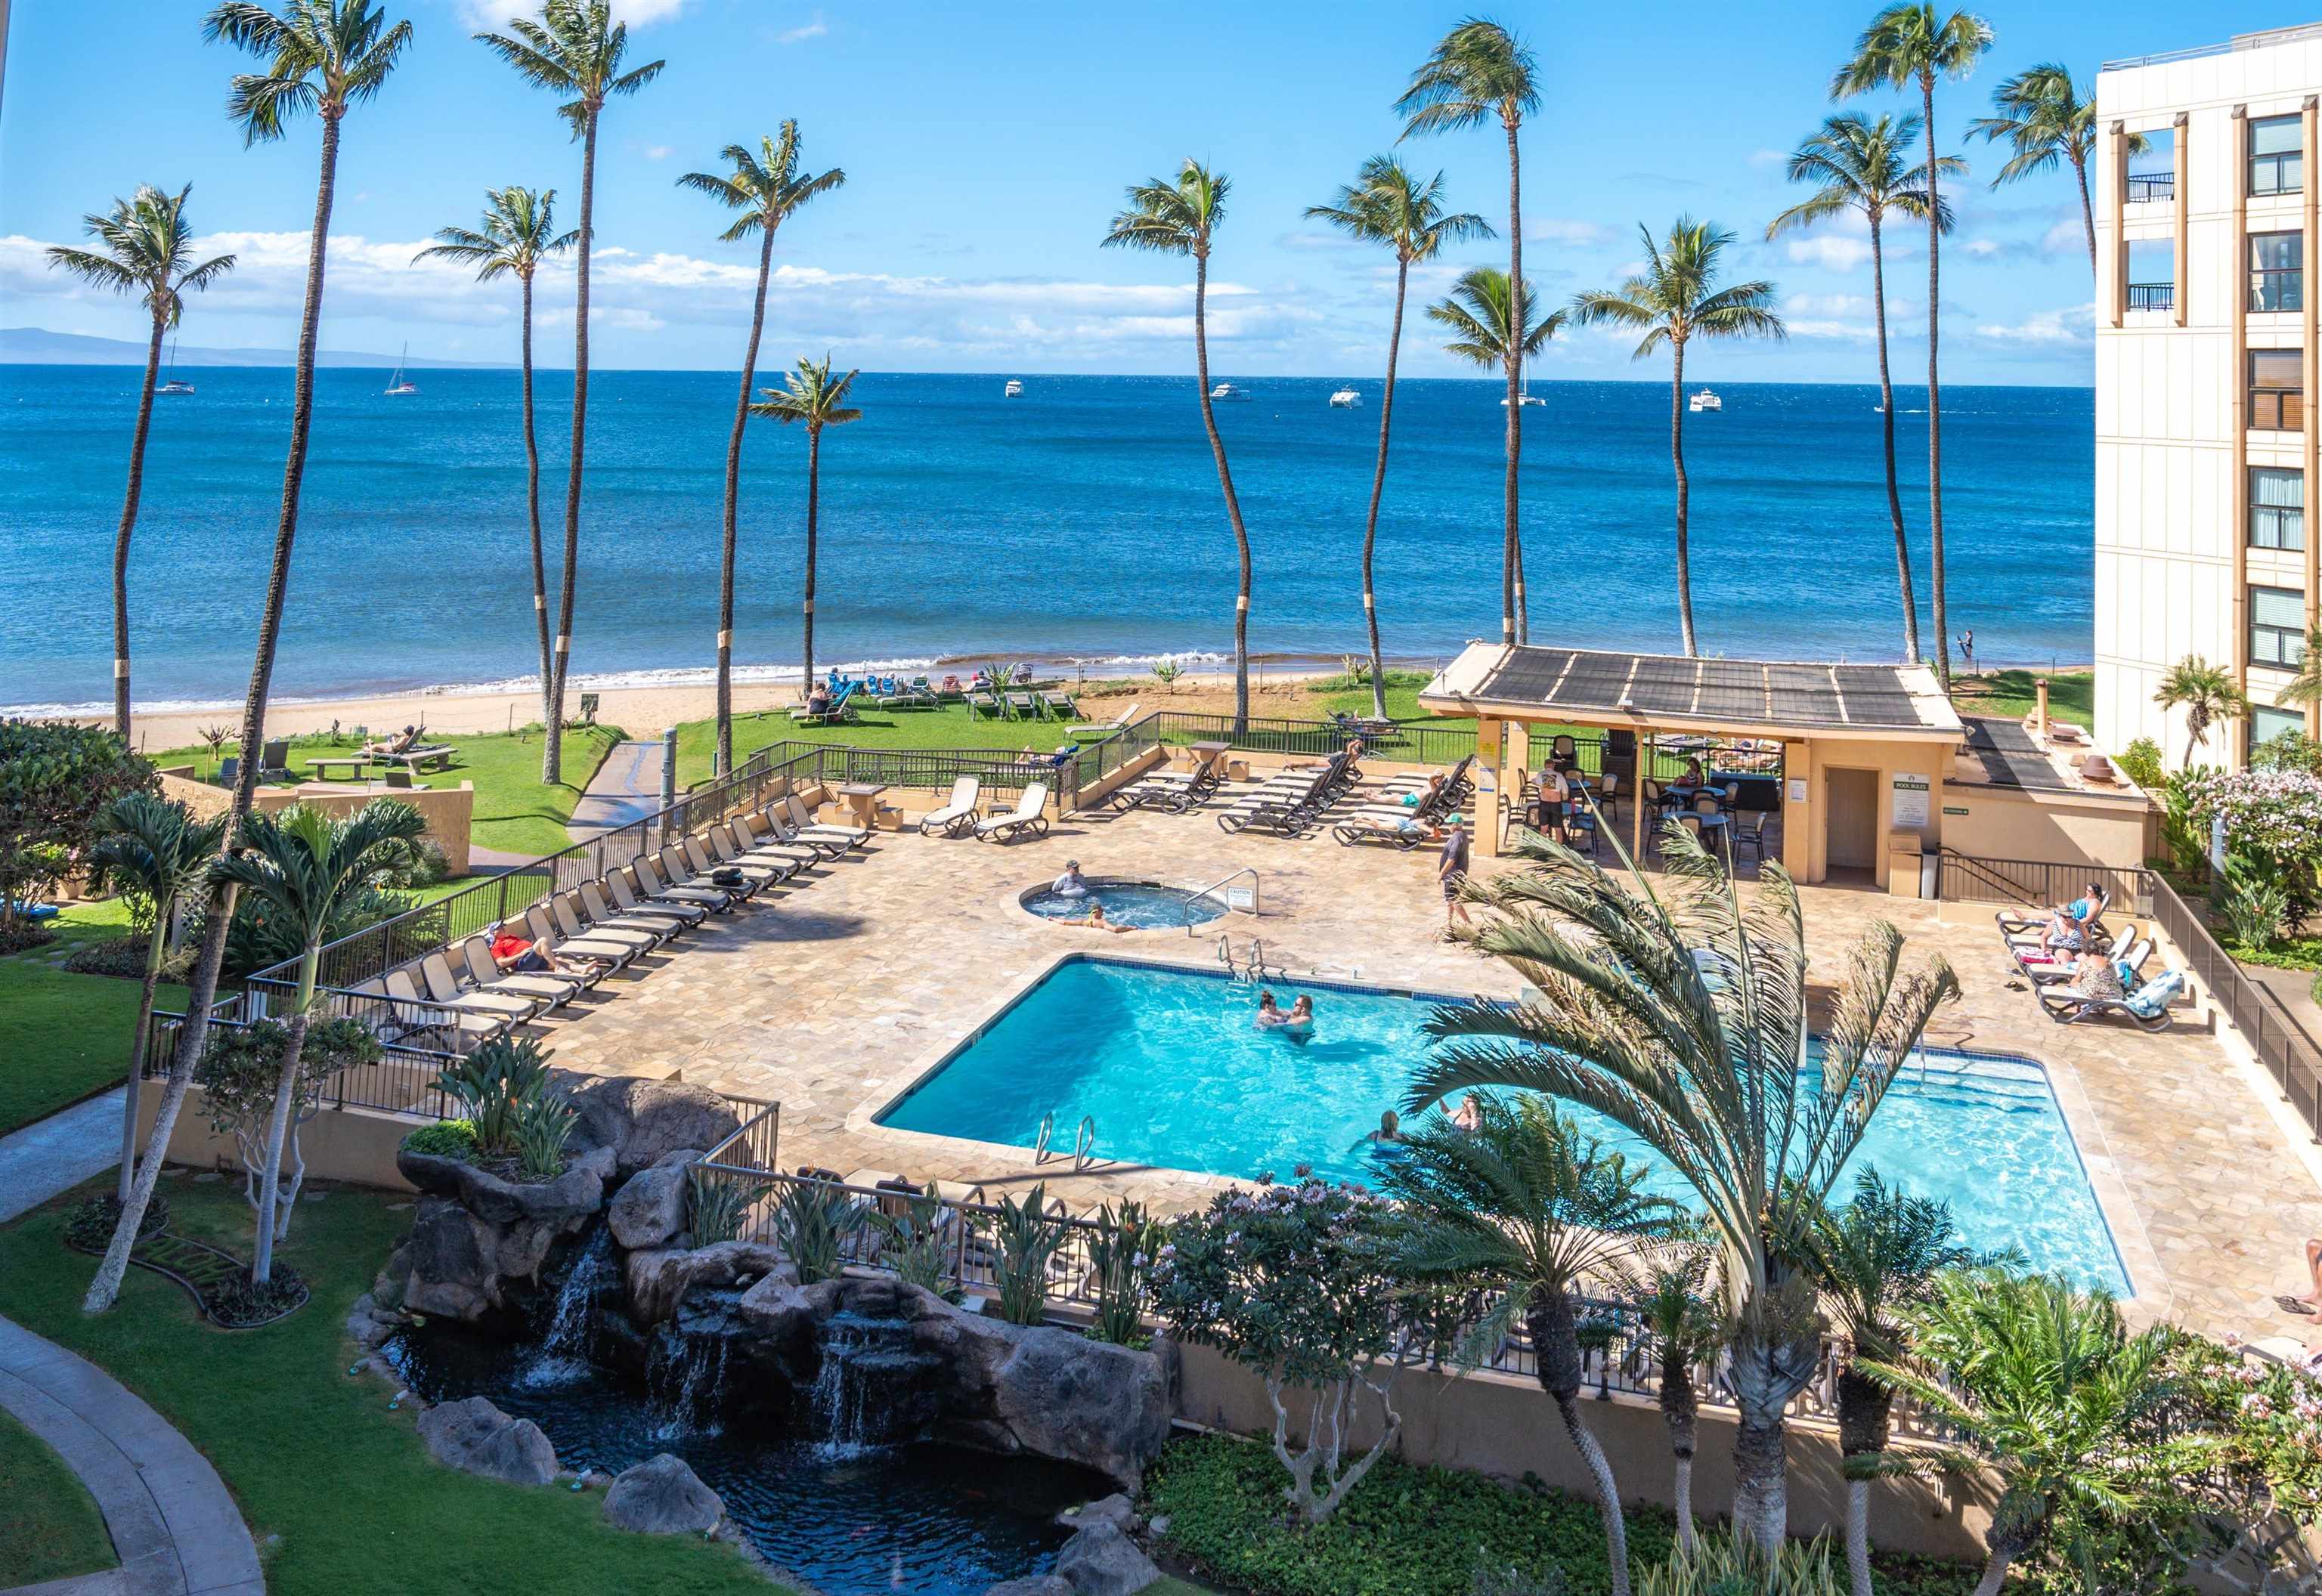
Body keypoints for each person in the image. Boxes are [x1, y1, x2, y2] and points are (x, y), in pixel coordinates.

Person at [1439, 818, 1472, 935]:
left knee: (1453, 900)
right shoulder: (1463, 835)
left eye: (1449, 824)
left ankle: (1469, 923)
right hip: (1459, 872)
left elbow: (1452, 859)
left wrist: (1442, 873)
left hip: (1453, 874)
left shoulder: (1457, 838)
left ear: (1455, 825)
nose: (1448, 826)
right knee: (1451, 898)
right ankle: (1449, 924)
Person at [489, 926, 562, 976]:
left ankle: (570, 973)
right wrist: (521, 954)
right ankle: (558, 967)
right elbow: (501, 963)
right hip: (523, 963)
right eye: (499, 928)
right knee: (542, 941)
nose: (503, 928)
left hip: (533, 959)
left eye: (502, 926)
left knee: (562, 961)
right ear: (493, 933)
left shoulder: (511, 937)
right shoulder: (496, 946)